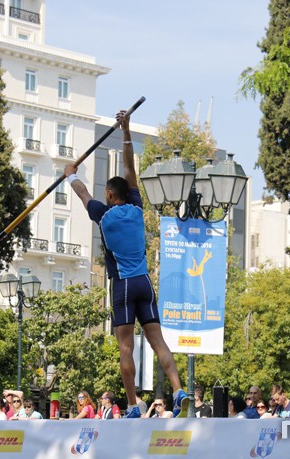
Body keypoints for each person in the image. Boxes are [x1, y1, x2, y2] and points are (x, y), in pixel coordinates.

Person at [64, 110, 187, 418]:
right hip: (145, 282)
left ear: (108, 194)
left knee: (126, 348)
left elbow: (81, 192)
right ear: (125, 194)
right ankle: (178, 389)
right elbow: (130, 166)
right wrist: (127, 129)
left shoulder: (100, 213)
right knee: (158, 341)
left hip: (123, 285)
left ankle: (132, 405)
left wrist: (70, 173)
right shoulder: (136, 206)